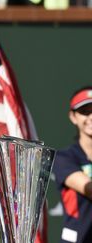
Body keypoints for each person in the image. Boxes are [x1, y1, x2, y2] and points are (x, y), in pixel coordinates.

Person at [53, 86, 92, 243]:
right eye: (85, 111)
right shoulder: (64, 158)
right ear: (73, 117)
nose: (91, 117)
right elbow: (88, 188)